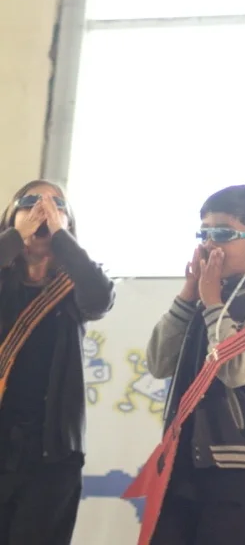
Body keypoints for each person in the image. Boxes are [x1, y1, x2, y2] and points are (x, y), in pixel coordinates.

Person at [145, 184, 245, 545]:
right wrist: (189, 294)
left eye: (223, 234)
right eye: (204, 233)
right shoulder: (199, 301)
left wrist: (212, 302)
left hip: (238, 469)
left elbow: (235, 369)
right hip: (181, 464)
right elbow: (158, 363)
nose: (210, 243)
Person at [0, 180, 114, 545]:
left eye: (56, 205)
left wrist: (62, 239)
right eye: (30, 202)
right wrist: (15, 238)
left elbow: (100, 298)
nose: (42, 210)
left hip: (52, 454)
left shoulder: (75, 286)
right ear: (11, 216)